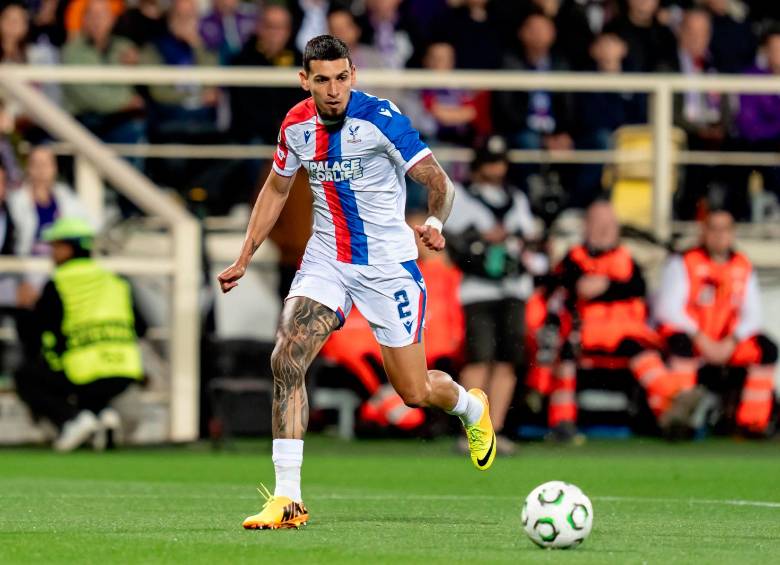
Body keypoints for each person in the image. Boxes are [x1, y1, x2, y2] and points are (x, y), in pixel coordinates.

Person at [218, 35, 496, 530]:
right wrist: (244, 255)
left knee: (413, 391)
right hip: (327, 261)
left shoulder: (380, 120)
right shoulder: (296, 125)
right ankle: (288, 499)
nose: (333, 89)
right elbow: (277, 188)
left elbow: (438, 181)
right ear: (305, 80)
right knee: (287, 356)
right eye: (321, 79)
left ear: (353, 75)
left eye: (341, 77)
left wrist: (434, 224)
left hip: (388, 267)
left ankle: (470, 406)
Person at [532, 201, 702, 441]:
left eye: (610, 224)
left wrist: (606, 285)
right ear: (587, 226)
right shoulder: (574, 258)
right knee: (566, 354)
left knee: (646, 356)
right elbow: (573, 286)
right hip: (586, 336)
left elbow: (636, 287)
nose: (604, 230)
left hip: (627, 336)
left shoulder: (627, 259)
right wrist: (607, 286)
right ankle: (562, 423)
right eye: (599, 223)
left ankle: (671, 417)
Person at [445, 137, 547, 455]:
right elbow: (452, 239)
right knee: (478, 359)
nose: (495, 168)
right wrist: (482, 238)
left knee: (506, 362)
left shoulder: (515, 198)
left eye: (499, 162)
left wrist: (522, 241)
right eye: (489, 162)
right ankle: (472, 430)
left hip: (513, 287)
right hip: (478, 289)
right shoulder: (462, 197)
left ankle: (495, 428)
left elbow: (529, 237)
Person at [14, 217, 145, 452]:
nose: (52, 254)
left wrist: (24, 311)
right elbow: (142, 326)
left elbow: (36, 333)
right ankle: (102, 415)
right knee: (86, 374)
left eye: (54, 247)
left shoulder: (60, 283)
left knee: (27, 375)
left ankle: (71, 420)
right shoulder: (116, 280)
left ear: (67, 248)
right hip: (125, 371)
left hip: (84, 373)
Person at [654, 209, 777, 436]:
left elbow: (754, 314)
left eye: (725, 229)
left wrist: (732, 341)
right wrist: (701, 339)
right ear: (704, 231)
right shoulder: (683, 261)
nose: (719, 235)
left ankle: (752, 423)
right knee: (680, 344)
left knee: (766, 349)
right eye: (714, 228)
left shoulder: (742, 265)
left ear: (733, 233)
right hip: (694, 339)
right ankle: (680, 419)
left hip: (727, 343)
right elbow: (667, 309)